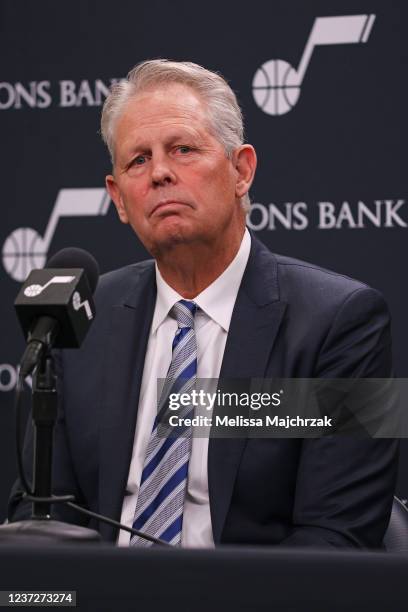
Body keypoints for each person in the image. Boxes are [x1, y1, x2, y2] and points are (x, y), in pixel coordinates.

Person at [9, 59, 398, 548]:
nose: (161, 174)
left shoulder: (345, 321)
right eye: (138, 161)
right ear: (119, 199)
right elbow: (40, 521)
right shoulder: (83, 317)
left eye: (183, 149)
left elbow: (338, 539)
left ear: (241, 170)